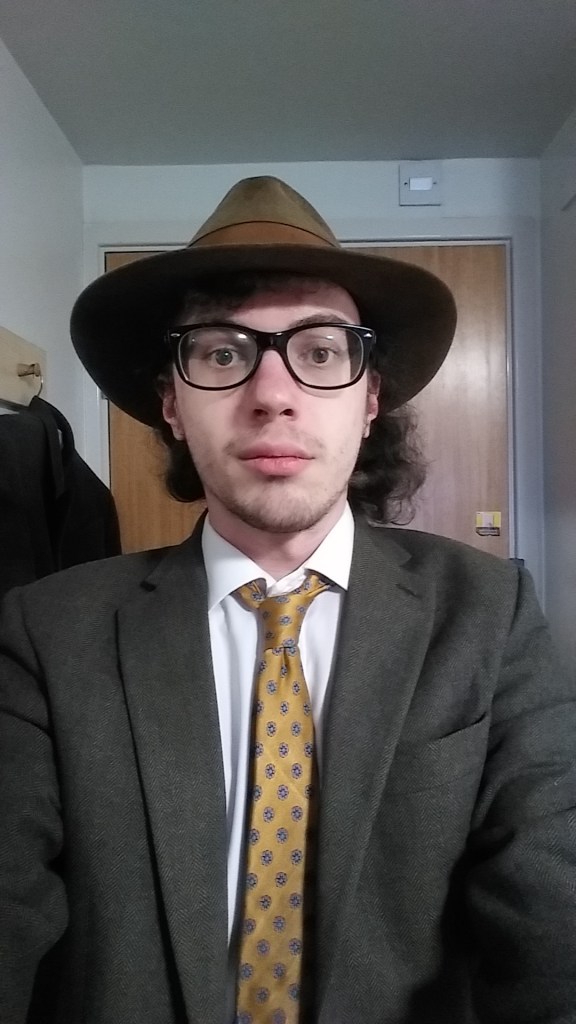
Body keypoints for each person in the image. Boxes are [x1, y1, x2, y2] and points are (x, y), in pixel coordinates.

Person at [0, 176, 575, 1024]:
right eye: (222, 354)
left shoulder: (490, 615)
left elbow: (550, 915)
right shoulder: (48, 632)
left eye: (321, 352)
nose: (273, 394)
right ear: (172, 404)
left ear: (370, 401)